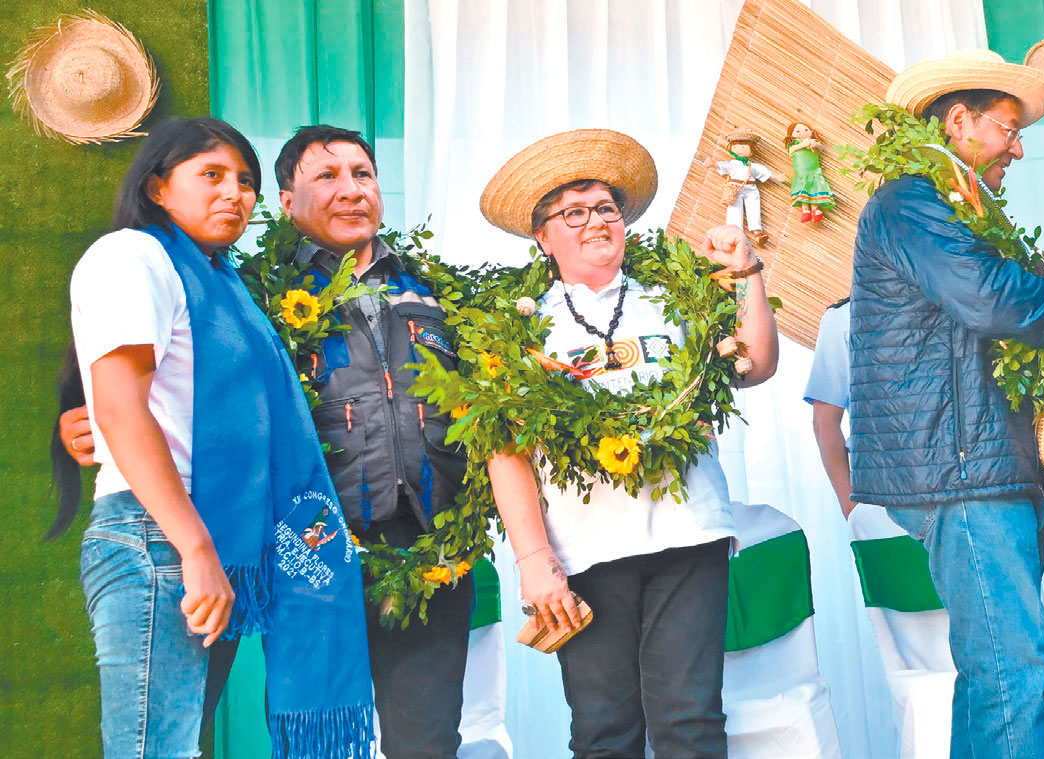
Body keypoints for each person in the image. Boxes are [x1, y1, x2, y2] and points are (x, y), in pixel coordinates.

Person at [61, 124, 475, 758]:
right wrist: (89, 417)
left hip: (418, 543)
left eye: (362, 174)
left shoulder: (438, 290)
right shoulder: (233, 282)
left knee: (425, 742)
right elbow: (128, 392)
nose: (350, 190)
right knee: (163, 742)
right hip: (226, 531)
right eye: (212, 175)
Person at [849, 49, 1044, 758]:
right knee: (1011, 668)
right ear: (958, 121)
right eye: (1007, 129)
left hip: (984, 462)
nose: (1017, 148)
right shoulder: (910, 202)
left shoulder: (951, 210)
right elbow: (991, 299)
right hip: (961, 469)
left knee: (995, 671)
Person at [480, 128, 778, 758]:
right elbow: (504, 448)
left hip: (688, 533)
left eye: (607, 209)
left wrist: (746, 270)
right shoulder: (517, 322)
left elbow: (755, 362)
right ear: (542, 236)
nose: (595, 223)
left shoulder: (675, 294)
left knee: (690, 720)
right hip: (582, 551)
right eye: (574, 213)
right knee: (603, 730)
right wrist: (535, 562)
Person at [804, 298, 856, 516]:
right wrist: (851, 508)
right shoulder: (843, 317)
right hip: (883, 493)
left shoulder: (960, 303)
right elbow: (825, 423)